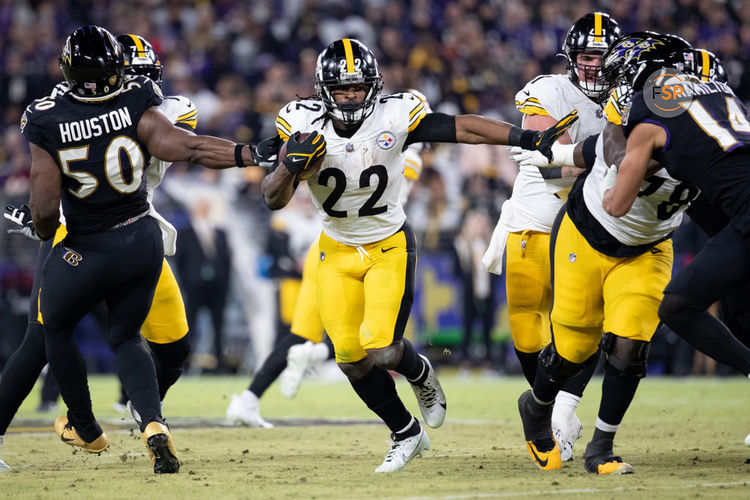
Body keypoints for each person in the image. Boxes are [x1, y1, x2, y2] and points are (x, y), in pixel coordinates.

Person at [260, 38, 577, 472]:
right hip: (335, 248)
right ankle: (406, 433)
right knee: (350, 357)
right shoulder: (300, 124)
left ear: (373, 86)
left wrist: (527, 136)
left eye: (358, 87)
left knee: (382, 349)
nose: (351, 96)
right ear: (323, 90)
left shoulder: (395, 114)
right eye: (342, 88)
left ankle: (420, 372)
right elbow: (272, 197)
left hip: (388, 243)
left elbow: (461, 127)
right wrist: (288, 167)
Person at [19, 25, 296, 474]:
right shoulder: (138, 101)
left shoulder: (48, 115)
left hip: (86, 243)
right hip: (141, 238)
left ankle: (85, 427)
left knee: (54, 326)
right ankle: (153, 426)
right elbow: (187, 146)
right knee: (127, 337)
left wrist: (41, 228)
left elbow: (46, 202)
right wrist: (252, 152)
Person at [514, 33, 725, 474]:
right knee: (573, 350)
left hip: (648, 246)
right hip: (588, 232)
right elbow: (610, 152)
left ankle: (601, 448)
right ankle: (536, 406)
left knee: (631, 346)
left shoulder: (721, 133)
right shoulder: (634, 106)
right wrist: (658, 152)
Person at [0, 32, 201, 469]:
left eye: (146, 77)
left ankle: (139, 414)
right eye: (134, 76)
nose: (143, 86)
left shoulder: (152, 109)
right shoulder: (87, 107)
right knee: (43, 340)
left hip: (130, 229)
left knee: (174, 345)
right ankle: (100, 422)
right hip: (81, 235)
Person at [227, 94, 434, 426]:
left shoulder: (382, 138)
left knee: (314, 336)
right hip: (363, 248)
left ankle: (256, 393)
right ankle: (312, 358)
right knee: (367, 338)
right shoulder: (397, 149)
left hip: (327, 248)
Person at [599, 31, 750, 443]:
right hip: (738, 214)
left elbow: (616, 206)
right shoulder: (716, 89)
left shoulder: (650, 118)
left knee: (679, 305)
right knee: (739, 305)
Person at [482, 12, 621, 461]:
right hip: (536, 221)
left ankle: (562, 410)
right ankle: (548, 406)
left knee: (583, 325)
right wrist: (596, 166)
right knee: (527, 332)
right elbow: (540, 159)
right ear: (571, 59)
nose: (596, 66)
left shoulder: (629, 98)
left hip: (590, 227)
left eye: (604, 57)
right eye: (587, 57)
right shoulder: (550, 90)